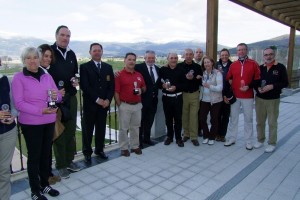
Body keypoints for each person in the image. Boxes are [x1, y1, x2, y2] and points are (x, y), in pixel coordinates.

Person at [12, 47, 61, 200]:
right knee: (34, 158)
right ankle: (35, 191)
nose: (33, 60)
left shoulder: (47, 76)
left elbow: (58, 96)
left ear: (39, 59)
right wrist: (41, 110)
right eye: (29, 58)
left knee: (45, 155)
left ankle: (44, 184)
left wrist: (56, 95)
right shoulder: (18, 78)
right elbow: (19, 104)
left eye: (35, 57)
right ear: (24, 60)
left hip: (49, 121)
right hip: (31, 123)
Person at [48, 25, 80, 179]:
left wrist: (75, 80)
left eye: (68, 36)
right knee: (59, 132)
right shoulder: (50, 52)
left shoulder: (72, 54)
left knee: (70, 131)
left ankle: (69, 161)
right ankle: (60, 165)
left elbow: (75, 73)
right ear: (56, 36)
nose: (65, 38)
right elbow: (43, 73)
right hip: (56, 100)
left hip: (70, 98)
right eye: (62, 35)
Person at [80, 43, 115, 163]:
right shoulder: (84, 67)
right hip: (90, 105)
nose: (97, 52)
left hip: (104, 106)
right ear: (90, 52)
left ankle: (99, 150)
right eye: (94, 50)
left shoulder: (108, 67)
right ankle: (87, 152)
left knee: (101, 129)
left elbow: (111, 86)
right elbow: (85, 86)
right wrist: (97, 100)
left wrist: (108, 100)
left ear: (102, 52)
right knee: (87, 130)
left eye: (99, 50)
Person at [224, 43, 260, 150]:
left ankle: (248, 141)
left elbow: (257, 80)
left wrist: (249, 86)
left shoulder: (254, 64)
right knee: (233, 118)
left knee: (248, 119)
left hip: (248, 96)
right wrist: (227, 94)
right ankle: (232, 138)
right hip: (235, 96)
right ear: (237, 51)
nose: (241, 51)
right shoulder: (233, 65)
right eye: (239, 50)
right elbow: (228, 79)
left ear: (247, 51)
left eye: (243, 49)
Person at [253, 47, 288, 153]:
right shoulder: (260, 68)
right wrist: (258, 88)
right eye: (266, 55)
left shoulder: (280, 67)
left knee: (272, 122)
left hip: (273, 99)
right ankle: (260, 140)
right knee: (260, 122)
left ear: (274, 55)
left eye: (270, 54)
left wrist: (272, 86)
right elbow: (255, 81)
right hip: (260, 99)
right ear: (263, 56)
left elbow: (285, 83)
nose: (268, 56)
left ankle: (272, 143)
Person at [38, 44, 62, 185]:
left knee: (46, 149)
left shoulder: (45, 72)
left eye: (49, 56)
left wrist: (59, 94)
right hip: (42, 116)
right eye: (45, 56)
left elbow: (55, 94)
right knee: (43, 150)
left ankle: (47, 175)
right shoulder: (42, 73)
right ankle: (45, 177)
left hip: (48, 115)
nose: (48, 59)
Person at [114, 52, 146, 157]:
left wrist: (141, 90)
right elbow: (116, 92)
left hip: (137, 105)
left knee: (135, 127)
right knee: (123, 128)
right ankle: (124, 148)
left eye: (133, 60)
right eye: (129, 59)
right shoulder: (119, 75)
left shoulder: (139, 75)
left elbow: (144, 87)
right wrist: (120, 105)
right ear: (125, 60)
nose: (132, 61)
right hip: (125, 105)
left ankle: (135, 146)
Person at [135, 50, 160, 148]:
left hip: (154, 100)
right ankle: (139, 142)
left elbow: (158, 83)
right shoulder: (138, 68)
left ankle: (147, 138)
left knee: (149, 121)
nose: (151, 59)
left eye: (152, 58)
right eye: (149, 58)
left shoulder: (158, 69)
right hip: (142, 100)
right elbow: (127, 70)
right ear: (144, 58)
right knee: (140, 122)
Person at [160, 52, 185, 147]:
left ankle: (178, 138)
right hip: (166, 98)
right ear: (168, 59)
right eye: (171, 58)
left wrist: (176, 87)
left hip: (177, 97)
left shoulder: (181, 70)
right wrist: (163, 85)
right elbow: (159, 83)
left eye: (175, 58)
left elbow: (185, 84)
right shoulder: (163, 69)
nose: (174, 60)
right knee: (168, 118)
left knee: (178, 119)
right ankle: (169, 136)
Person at [179, 49, 202, 146]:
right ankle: (186, 134)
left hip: (194, 94)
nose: (188, 56)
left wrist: (195, 78)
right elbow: (177, 78)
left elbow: (201, 80)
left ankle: (194, 136)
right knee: (184, 116)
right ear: (184, 55)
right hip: (183, 94)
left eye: (190, 54)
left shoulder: (197, 67)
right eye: (186, 54)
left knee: (194, 116)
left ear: (193, 55)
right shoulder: (179, 66)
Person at [0, 74, 17, 200]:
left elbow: (13, 103)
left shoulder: (5, 80)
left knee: (4, 172)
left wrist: (13, 115)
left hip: (8, 132)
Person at [200, 56, 223, 145]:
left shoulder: (217, 73)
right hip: (205, 99)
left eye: (208, 62)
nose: (206, 64)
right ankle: (206, 135)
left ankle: (212, 137)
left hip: (215, 100)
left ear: (212, 63)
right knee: (202, 118)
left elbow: (220, 88)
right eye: (205, 62)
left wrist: (209, 86)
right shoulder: (204, 73)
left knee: (214, 119)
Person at [215, 48, 233, 142]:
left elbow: (232, 82)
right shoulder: (216, 65)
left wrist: (227, 95)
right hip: (217, 94)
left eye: (226, 55)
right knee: (217, 115)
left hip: (227, 94)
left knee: (225, 116)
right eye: (222, 55)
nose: (224, 57)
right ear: (220, 56)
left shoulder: (233, 65)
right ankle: (216, 133)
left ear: (228, 55)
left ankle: (222, 135)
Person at [194, 48, 204, 137]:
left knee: (200, 111)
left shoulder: (205, 64)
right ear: (194, 54)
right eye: (197, 52)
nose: (198, 54)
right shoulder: (190, 64)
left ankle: (199, 129)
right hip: (191, 92)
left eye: (200, 52)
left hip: (202, 92)